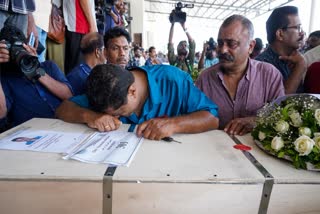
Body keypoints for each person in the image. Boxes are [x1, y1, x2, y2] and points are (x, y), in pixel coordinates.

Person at [56, 64, 219, 140]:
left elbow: (212, 118)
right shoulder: (106, 88)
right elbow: (63, 108)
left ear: (132, 91)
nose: (116, 118)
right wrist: (90, 116)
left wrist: (174, 124)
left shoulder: (173, 80)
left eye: (119, 112)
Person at [195, 15, 285, 135]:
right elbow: (193, 117)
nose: (223, 50)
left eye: (231, 44)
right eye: (220, 43)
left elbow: (282, 117)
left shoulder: (269, 75)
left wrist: (256, 121)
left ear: (251, 46)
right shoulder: (205, 78)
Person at [0, 24, 73, 130]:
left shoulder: (48, 66)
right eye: (12, 51)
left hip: (65, 125)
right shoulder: (6, 79)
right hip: (36, 134)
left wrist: (36, 68)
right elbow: (1, 114)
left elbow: (69, 96)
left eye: (20, 48)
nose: (17, 54)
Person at [255, 6, 306, 94]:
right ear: (280, 34)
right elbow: (279, 103)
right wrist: (300, 66)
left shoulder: (294, 59)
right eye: (297, 28)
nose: (302, 33)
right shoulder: (261, 66)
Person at [63, 0, 97, 74]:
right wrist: (92, 25)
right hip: (80, 25)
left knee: (74, 67)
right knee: (78, 69)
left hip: (77, 25)